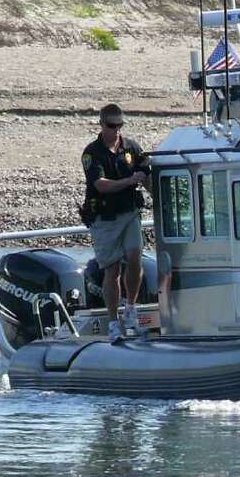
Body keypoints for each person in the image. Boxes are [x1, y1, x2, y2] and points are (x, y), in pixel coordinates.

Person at [81, 103, 150, 341]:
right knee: (111, 270)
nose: (117, 130)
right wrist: (131, 181)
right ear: (102, 125)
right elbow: (101, 184)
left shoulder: (131, 147)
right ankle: (113, 322)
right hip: (105, 218)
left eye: (120, 125)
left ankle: (130, 308)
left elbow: (146, 171)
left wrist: (156, 195)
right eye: (112, 126)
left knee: (135, 257)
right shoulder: (92, 153)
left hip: (130, 212)